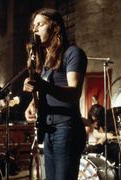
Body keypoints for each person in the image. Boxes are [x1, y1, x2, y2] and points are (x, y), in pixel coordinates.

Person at [23, 8, 88, 180]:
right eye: (33, 26)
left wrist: (42, 85)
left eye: (40, 24)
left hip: (66, 128)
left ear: (55, 27)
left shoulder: (72, 53)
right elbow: (44, 92)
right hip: (48, 128)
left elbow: (74, 92)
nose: (34, 29)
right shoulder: (44, 61)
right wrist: (31, 105)